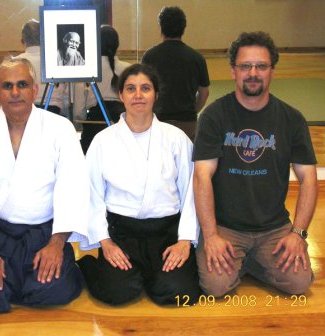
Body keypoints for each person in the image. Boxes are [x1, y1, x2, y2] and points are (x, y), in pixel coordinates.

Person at [0, 56, 90, 313]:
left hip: (43, 233)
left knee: (54, 292)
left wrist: (56, 245)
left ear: (34, 90)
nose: (15, 92)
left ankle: (43, 273)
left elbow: (72, 188)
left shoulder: (60, 128)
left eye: (22, 84)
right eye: (7, 86)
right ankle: (15, 278)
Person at [193, 31, 317, 298]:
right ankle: (248, 263)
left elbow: (308, 178)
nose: (253, 73)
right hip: (225, 227)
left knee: (299, 284)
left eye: (261, 66)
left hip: (273, 228)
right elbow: (202, 177)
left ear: (272, 71)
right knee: (215, 286)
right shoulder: (214, 116)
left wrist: (298, 234)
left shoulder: (292, 119)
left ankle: (250, 263)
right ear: (233, 71)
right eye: (245, 66)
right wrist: (211, 235)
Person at [78, 64, 200, 306]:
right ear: (121, 95)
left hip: (166, 235)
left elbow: (191, 193)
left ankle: (150, 275)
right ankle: (91, 265)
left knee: (179, 294)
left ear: (155, 94)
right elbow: (92, 195)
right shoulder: (103, 141)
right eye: (130, 89)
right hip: (122, 235)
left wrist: (185, 241)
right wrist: (106, 242)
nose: (138, 95)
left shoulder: (176, 139)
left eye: (145, 88)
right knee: (116, 293)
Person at [141, 6, 210, 141]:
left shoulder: (149, 56)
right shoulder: (197, 58)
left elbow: (143, 89)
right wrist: (192, 111)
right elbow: (204, 93)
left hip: (158, 120)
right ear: (183, 28)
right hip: (187, 122)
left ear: (161, 28)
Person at [74, 25, 130, 154]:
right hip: (121, 125)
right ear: (117, 44)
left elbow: (78, 111)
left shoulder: (85, 69)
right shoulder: (128, 69)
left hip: (94, 126)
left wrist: (81, 122)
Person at [18, 19, 66, 116]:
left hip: (25, 111)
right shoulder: (58, 60)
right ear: (44, 37)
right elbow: (65, 94)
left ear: (22, 40)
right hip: (53, 110)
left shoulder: (16, 63)